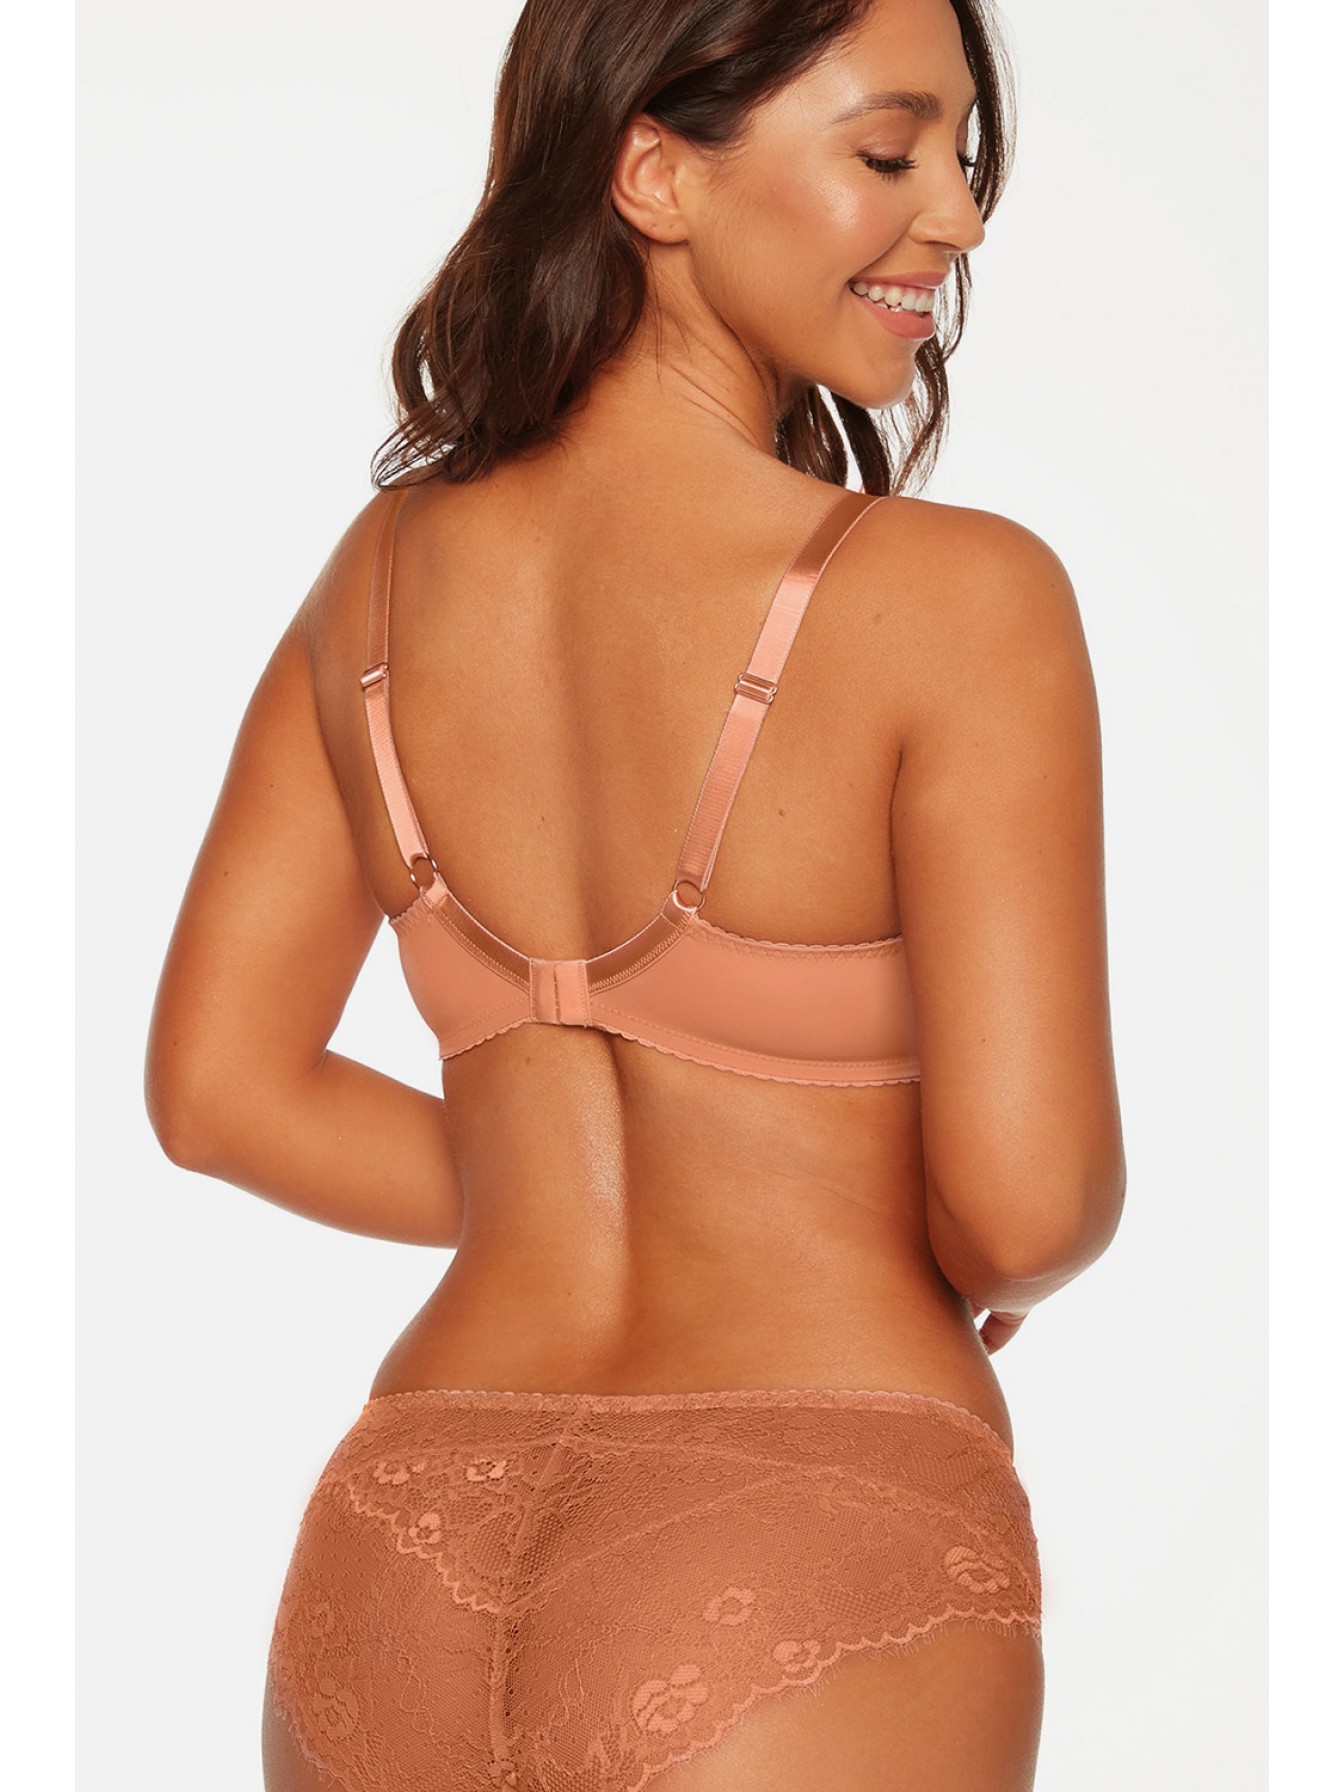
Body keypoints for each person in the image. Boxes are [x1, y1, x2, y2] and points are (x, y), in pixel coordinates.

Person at [144, 0, 1126, 1785]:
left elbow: (218, 1092)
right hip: (812, 1512)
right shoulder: (963, 599)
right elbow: (1026, 1203)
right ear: (655, 176)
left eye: (964, 156)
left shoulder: (378, 580)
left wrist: (548, 1183)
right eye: (889, 150)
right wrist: (816, 1199)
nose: (961, 215)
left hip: (414, 1529)